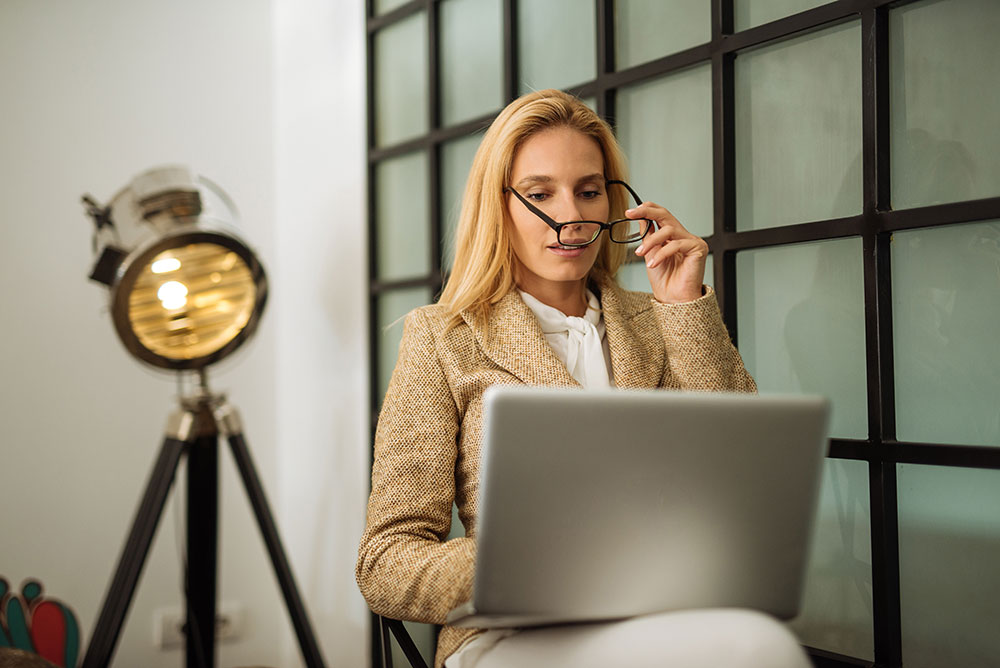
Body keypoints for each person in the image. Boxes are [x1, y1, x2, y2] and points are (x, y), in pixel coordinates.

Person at [356, 89, 809, 668]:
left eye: (589, 191)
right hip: (510, 633)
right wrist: (519, 560)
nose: (570, 215)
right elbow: (385, 562)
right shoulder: (443, 338)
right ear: (498, 206)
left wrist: (684, 305)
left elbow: (743, 477)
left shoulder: (661, 320)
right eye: (541, 193)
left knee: (762, 646)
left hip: (658, 615)